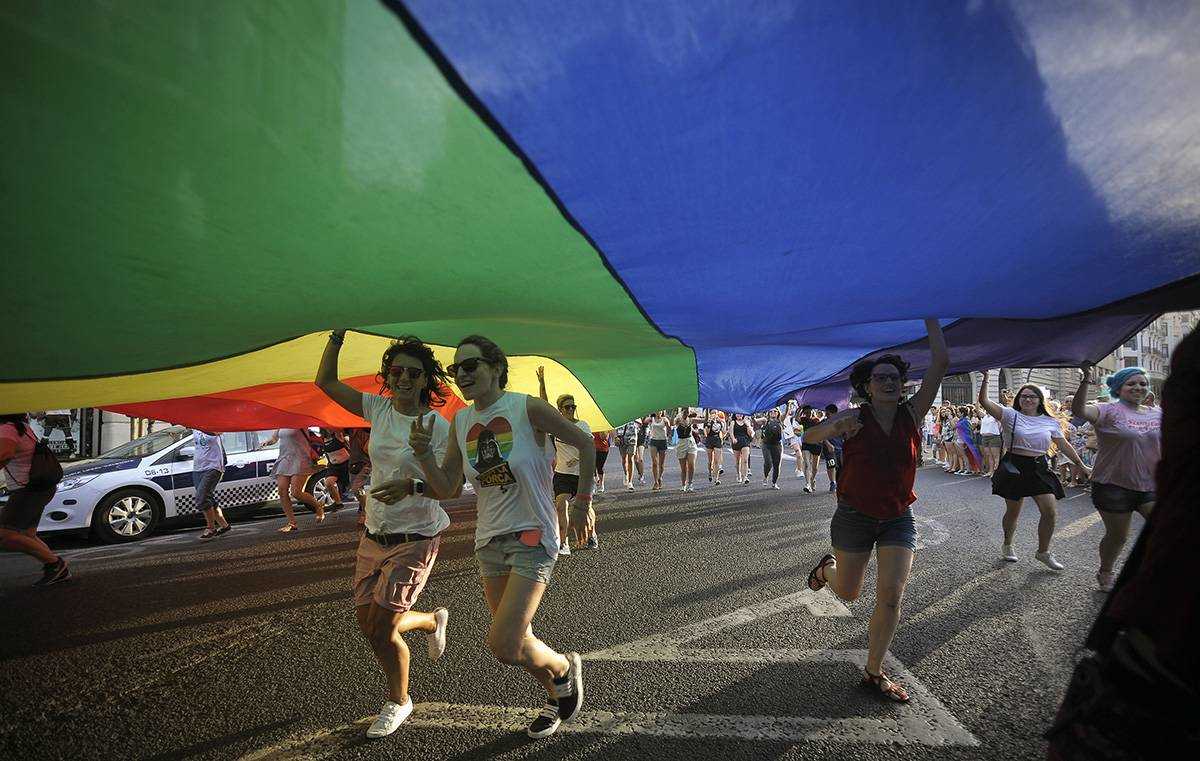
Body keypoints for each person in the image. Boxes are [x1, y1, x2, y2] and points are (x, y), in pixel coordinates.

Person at [412, 335, 592, 739]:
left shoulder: (525, 407)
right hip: (488, 541)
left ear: (496, 367)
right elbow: (448, 488)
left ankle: (563, 667)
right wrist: (424, 456)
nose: (462, 375)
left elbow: (583, 441)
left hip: (533, 533)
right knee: (518, 638)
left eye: (471, 366)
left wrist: (581, 503)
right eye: (456, 369)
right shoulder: (461, 421)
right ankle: (557, 692)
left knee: (504, 644)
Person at [315, 331, 453, 738]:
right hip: (375, 533)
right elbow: (325, 383)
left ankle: (399, 702)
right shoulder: (379, 410)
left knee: (382, 628)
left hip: (416, 537)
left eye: (414, 372)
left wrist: (415, 481)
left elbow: (449, 488)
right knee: (370, 626)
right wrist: (336, 337)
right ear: (388, 377)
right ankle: (430, 620)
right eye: (397, 371)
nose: (405, 378)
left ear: (427, 379)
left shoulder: (437, 426)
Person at [805, 319, 948, 703]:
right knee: (849, 593)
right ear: (866, 386)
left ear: (902, 384)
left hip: (899, 518)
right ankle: (825, 569)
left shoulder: (912, 414)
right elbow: (809, 436)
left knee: (890, 596)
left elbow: (940, 363)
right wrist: (832, 429)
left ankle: (874, 671)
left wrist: (932, 315)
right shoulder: (853, 418)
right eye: (879, 377)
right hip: (854, 516)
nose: (887, 382)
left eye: (893, 377)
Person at [978, 372, 1091, 570]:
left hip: (1039, 466)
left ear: (1040, 400)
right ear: (1019, 399)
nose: (1028, 399)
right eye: (1024, 396)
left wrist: (1082, 465)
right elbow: (984, 401)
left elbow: (1063, 445)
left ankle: (1043, 552)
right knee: (1013, 511)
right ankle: (1007, 544)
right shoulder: (1009, 415)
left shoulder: (1050, 421)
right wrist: (986, 378)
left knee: (1049, 510)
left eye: (1032, 396)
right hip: (1014, 466)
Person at [1071, 364, 1161, 592]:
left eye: (1142, 383)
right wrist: (1086, 380)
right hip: (1113, 485)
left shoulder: (1157, 413)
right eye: (1131, 383)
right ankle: (1106, 570)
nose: (1138, 387)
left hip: (1150, 485)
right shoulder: (1107, 411)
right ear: (1119, 388)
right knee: (1118, 536)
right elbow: (1080, 410)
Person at [0, 414, 69, 586]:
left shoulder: (8, 428)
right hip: (38, 488)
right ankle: (54, 567)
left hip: (29, 490)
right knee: (27, 534)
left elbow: (4, 453)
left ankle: (55, 564)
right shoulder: (21, 427)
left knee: (5, 535)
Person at [259, 428, 325, 531]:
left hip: (301, 459)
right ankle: (292, 523)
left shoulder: (299, 421)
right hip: (285, 459)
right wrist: (266, 442)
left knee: (296, 492)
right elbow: (274, 439)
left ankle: (318, 506)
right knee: (282, 490)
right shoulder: (280, 424)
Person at [550, 393, 592, 555]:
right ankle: (564, 542)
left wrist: (577, 459)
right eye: (567, 407)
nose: (570, 410)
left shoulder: (583, 425)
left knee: (586, 509)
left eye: (573, 406)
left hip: (581, 474)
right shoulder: (555, 426)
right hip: (562, 473)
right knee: (561, 505)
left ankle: (592, 534)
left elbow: (588, 447)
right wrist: (541, 383)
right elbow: (543, 404)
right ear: (560, 410)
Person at [191, 429, 231, 540]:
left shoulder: (213, 423)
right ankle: (224, 525)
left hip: (214, 466)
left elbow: (217, 432)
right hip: (198, 467)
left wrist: (198, 425)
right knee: (208, 498)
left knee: (202, 498)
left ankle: (211, 528)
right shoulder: (195, 425)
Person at [319, 428, 351, 509]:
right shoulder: (323, 439)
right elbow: (327, 453)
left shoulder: (337, 435)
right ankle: (338, 502)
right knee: (328, 482)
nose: (328, 429)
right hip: (334, 466)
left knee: (353, 486)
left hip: (346, 464)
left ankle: (362, 506)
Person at [797, 405, 824, 493]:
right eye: (806, 413)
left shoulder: (816, 420)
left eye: (809, 412)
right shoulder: (804, 420)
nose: (808, 414)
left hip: (816, 444)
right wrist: (800, 409)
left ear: (812, 412)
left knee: (815, 468)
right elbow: (797, 419)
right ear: (804, 413)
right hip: (806, 443)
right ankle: (807, 484)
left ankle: (812, 479)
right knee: (807, 464)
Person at [674, 409, 699, 491]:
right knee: (683, 468)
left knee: (691, 465)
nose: (687, 412)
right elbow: (672, 422)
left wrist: (707, 409)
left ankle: (690, 483)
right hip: (681, 443)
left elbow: (705, 420)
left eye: (688, 411)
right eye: (685, 411)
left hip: (691, 443)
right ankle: (683, 484)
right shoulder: (678, 419)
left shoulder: (691, 420)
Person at [645, 411, 670, 491]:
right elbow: (644, 422)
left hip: (663, 441)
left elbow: (669, 429)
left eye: (660, 411)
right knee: (655, 463)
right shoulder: (651, 419)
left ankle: (660, 478)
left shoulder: (665, 419)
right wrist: (648, 416)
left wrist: (668, 425)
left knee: (661, 464)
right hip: (653, 441)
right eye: (657, 411)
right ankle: (655, 482)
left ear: (662, 412)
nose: (658, 412)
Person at [760, 408, 783, 489]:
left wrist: (788, 405)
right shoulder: (765, 420)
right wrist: (752, 414)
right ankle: (766, 476)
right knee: (768, 462)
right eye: (771, 411)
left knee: (776, 465)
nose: (773, 412)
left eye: (775, 411)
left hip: (777, 445)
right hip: (766, 445)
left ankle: (774, 482)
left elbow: (787, 412)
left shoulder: (780, 420)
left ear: (778, 413)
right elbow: (756, 421)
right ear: (768, 413)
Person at [822, 404, 843, 491]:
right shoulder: (824, 423)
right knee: (831, 464)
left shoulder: (841, 422)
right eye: (826, 413)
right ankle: (832, 483)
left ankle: (840, 483)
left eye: (828, 413)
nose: (826, 415)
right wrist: (828, 444)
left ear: (834, 413)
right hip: (829, 448)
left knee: (840, 467)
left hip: (840, 447)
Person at [615, 418, 640, 490]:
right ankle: (626, 473)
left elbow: (640, 423)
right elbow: (613, 425)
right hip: (621, 438)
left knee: (630, 458)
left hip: (632, 438)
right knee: (624, 459)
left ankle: (630, 482)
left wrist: (637, 425)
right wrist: (615, 436)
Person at [702, 411, 726, 485]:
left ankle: (716, 478)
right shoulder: (707, 422)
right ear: (710, 414)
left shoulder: (719, 422)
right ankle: (710, 473)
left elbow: (724, 431)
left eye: (715, 413)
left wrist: (724, 423)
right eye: (712, 413)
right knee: (710, 460)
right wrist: (709, 425)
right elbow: (707, 433)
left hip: (717, 440)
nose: (714, 415)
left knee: (717, 461)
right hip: (709, 440)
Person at [730, 413, 754, 485]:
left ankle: (745, 477)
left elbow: (750, 433)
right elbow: (731, 432)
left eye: (740, 414)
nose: (739, 415)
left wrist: (747, 425)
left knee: (745, 460)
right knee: (738, 461)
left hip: (745, 441)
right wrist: (733, 438)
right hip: (736, 442)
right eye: (737, 413)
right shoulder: (733, 422)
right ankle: (738, 474)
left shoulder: (746, 421)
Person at [593, 429, 611, 495]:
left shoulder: (604, 424)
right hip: (592, 447)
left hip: (603, 448)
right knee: (592, 466)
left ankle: (601, 483)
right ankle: (593, 485)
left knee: (600, 467)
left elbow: (604, 437)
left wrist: (601, 429)